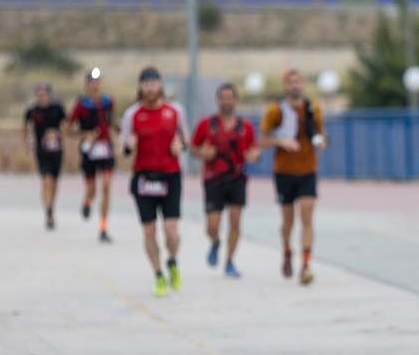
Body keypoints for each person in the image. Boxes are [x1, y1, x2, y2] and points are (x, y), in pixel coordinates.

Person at [120, 67, 189, 297]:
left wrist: (181, 145)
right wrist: (130, 145)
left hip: (170, 175)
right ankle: (158, 274)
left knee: (171, 230)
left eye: (154, 83)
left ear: (161, 85)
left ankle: (172, 261)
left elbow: (185, 138)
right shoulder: (132, 114)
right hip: (144, 177)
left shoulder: (175, 110)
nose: (150, 88)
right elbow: (124, 149)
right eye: (146, 84)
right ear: (140, 87)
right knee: (149, 231)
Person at [261, 69, 326, 284]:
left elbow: (320, 135)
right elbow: (261, 140)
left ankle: (306, 264)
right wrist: (281, 142)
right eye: (290, 82)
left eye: (298, 82)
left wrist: (321, 141)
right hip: (284, 171)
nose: (294, 86)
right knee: (288, 220)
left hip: (307, 169)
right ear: (284, 86)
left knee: (307, 215)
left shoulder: (313, 108)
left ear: (303, 84)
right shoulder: (275, 111)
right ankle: (287, 250)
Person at [190, 83, 260, 278]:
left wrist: (253, 155)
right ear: (217, 100)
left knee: (235, 221)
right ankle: (215, 242)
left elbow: (253, 148)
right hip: (213, 178)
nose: (226, 101)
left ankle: (230, 261)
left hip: (237, 177)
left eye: (230, 97)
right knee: (212, 225)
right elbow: (193, 147)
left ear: (235, 100)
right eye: (223, 97)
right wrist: (202, 153)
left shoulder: (245, 126)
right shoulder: (206, 124)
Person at [69, 67, 117, 243]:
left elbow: (111, 122)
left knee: (106, 186)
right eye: (92, 82)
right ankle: (87, 202)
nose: (95, 85)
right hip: (89, 150)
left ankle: (103, 227)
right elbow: (68, 127)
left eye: (98, 81)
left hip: (105, 150)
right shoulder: (81, 105)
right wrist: (84, 134)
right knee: (92, 190)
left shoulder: (108, 102)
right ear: (87, 84)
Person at [23, 83, 67, 231]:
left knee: (54, 182)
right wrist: (28, 141)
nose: (42, 97)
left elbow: (66, 127)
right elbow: (25, 127)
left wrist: (57, 134)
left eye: (44, 94)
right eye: (39, 94)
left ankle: (51, 206)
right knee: (46, 180)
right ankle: (48, 212)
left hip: (57, 150)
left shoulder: (57, 109)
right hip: (42, 152)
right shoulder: (32, 111)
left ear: (49, 94)